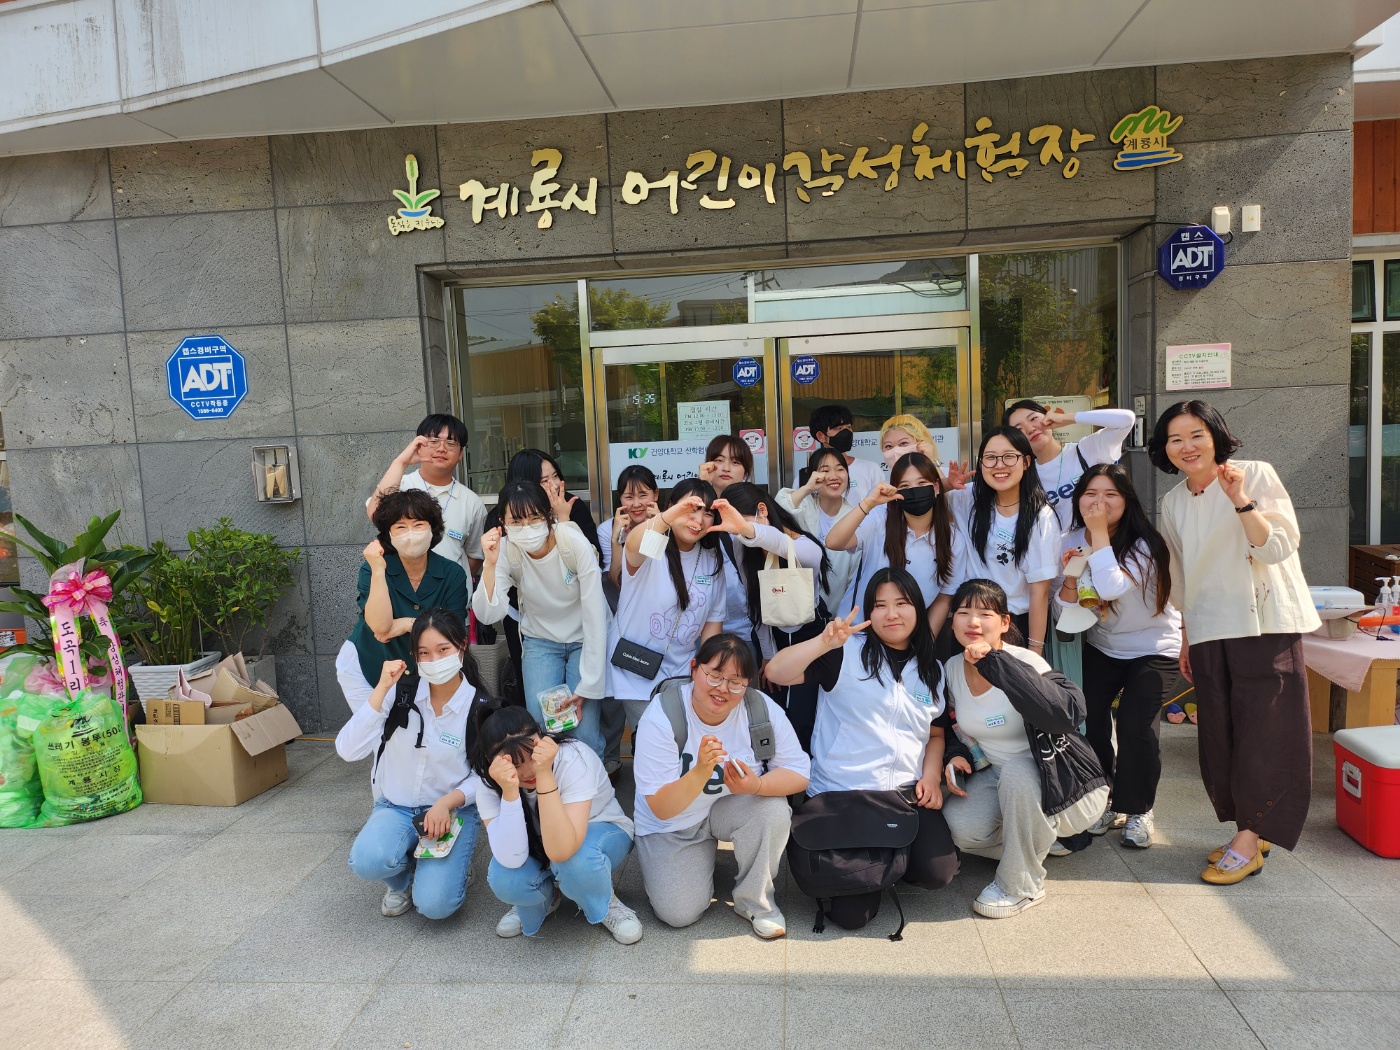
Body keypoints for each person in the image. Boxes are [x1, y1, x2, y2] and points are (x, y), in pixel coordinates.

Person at [1149, 400, 1320, 884]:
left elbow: (1277, 546)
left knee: (1268, 733)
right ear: (1164, 448)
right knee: (1222, 734)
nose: (1187, 446)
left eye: (1196, 435)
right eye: (1175, 439)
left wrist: (1240, 498)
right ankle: (1249, 827)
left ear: (1216, 436)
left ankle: (1250, 840)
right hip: (1208, 628)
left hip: (1263, 625)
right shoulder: (1174, 501)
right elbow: (1179, 575)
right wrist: (1186, 635)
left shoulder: (1254, 474)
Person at [766, 569, 960, 930]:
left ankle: (884, 862)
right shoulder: (844, 652)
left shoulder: (931, 668)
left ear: (917, 609)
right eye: (880, 605)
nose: (892, 614)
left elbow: (935, 733)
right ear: (868, 612)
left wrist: (932, 777)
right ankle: (878, 864)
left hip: (903, 795)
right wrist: (822, 643)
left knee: (938, 873)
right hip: (843, 793)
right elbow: (776, 672)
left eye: (901, 603)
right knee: (851, 917)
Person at [940, 580, 1109, 918]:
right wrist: (955, 755)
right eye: (964, 612)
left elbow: (1066, 714)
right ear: (952, 621)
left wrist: (994, 663)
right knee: (960, 828)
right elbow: (957, 727)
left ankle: (1021, 885)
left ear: (1005, 622)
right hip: (998, 777)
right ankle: (1038, 842)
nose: (973, 622)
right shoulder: (952, 668)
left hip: (1063, 780)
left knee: (1019, 769)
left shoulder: (1026, 661)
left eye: (985, 613)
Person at [632, 633, 811, 939]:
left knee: (772, 808)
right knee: (678, 913)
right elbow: (660, 808)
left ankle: (756, 901)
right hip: (672, 822)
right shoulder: (662, 716)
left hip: (728, 806)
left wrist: (756, 785)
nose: (723, 689)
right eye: (714, 676)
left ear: (748, 683)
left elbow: (798, 773)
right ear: (694, 669)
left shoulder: (760, 709)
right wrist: (701, 771)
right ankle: (694, 861)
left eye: (735, 682)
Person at [1057, 464, 1182, 849]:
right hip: (1103, 645)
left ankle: (1139, 808)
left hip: (1154, 647)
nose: (1099, 502)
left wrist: (1097, 534)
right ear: (1078, 499)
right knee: (1088, 719)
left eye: (1111, 494)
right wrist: (1070, 578)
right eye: (1091, 493)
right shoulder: (1069, 540)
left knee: (1134, 724)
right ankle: (1105, 798)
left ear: (1127, 501)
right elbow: (1065, 608)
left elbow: (1111, 587)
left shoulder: (1145, 544)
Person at [335, 610, 482, 919]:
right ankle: (403, 880)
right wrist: (380, 689)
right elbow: (347, 749)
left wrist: (446, 803)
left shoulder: (479, 707)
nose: (434, 660)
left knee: (435, 906)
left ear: (461, 647)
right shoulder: (399, 694)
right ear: (414, 657)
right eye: (424, 653)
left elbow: (484, 775)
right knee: (367, 861)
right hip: (396, 806)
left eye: (443, 649)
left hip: (449, 813)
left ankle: (452, 866)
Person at [470, 700, 642, 943]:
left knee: (575, 860)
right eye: (515, 765)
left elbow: (561, 849)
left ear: (541, 739)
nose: (527, 772)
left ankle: (604, 900)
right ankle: (545, 899)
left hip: (601, 831)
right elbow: (511, 858)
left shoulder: (572, 757)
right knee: (504, 877)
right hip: (541, 845)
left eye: (532, 757)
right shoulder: (488, 780)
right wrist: (509, 791)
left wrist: (545, 773)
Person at [473, 481, 608, 759]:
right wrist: (489, 565)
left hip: (584, 640)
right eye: (516, 520)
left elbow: (596, 615)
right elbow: (489, 614)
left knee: (584, 732)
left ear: (549, 515)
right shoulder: (506, 551)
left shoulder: (573, 543)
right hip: (540, 642)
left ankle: (592, 783)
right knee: (541, 727)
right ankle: (548, 783)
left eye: (535, 517)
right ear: (502, 523)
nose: (527, 527)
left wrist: (588, 685)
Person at [708, 482, 829, 750]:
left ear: (762, 510)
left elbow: (779, 543)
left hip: (809, 639)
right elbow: (756, 605)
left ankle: (803, 771)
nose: (739, 534)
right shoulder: (742, 545)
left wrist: (746, 530)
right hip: (772, 637)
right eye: (733, 529)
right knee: (774, 715)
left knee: (804, 717)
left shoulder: (806, 547)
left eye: (741, 524)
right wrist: (768, 654)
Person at [609, 478, 728, 729]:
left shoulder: (711, 559)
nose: (698, 520)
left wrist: (709, 676)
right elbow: (634, 542)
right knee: (656, 738)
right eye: (690, 509)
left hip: (682, 674)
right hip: (636, 669)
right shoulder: (654, 544)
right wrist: (670, 515)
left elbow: (712, 629)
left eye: (707, 513)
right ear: (671, 507)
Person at [337, 490, 469, 711]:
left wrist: (407, 624)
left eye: (418, 525)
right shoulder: (373, 568)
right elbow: (380, 627)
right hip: (370, 664)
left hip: (429, 670)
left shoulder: (452, 573)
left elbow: (453, 632)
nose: (410, 534)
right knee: (377, 729)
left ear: (432, 529)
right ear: (388, 534)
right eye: (400, 527)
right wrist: (378, 570)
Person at [948, 427, 1059, 654]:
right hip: (967, 622)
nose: (999, 465)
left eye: (1009, 457)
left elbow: (1039, 593)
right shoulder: (967, 498)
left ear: (1026, 462)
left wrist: (1034, 652)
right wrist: (946, 483)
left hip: (1012, 626)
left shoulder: (1040, 517)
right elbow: (926, 498)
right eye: (990, 458)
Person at [824, 451, 956, 634]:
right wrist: (869, 503)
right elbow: (833, 542)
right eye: (904, 486)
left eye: (922, 483)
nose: (914, 490)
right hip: (859, 632)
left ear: (936, 487)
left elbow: (944, 596)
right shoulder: (880, 520)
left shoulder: (953, 539)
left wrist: (927, 641)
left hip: (908, 637)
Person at [368, 413, 487, 577]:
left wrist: (454, 580)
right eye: (433, 441)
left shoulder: (471, 502)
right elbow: (375, 513)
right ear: (418, 445)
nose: (441, 449)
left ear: (460, 453)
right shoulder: (400, 486)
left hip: (452, 592)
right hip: (404, 588)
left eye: (450, 443)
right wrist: (401, 462)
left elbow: (475, 554)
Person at [600, 465, 661, 773]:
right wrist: (616, 541)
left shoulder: (667, 525)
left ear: (656, 495)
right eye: (628, 496)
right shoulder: (609, 529)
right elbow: (619, 581)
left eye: (643, 495)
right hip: (631, 636)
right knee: (639, 719)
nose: (636, 503)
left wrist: (657, 525)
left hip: (663, 631)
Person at [1004, 399, 1137, 531]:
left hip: (1102, 540)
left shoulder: (1086, 450)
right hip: (1057, 545)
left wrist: (1066, 418)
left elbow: (1126, 420)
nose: (1030, 429)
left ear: (1048, 417)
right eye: (1019, 429)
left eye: (1033, 419)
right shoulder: (1024, 475)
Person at [778, 445, 861, 619]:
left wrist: (840, 619)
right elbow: (779, 511)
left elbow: (853, 578)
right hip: (795, 612)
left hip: (833, 615)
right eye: (825, 470)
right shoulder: (803, 507)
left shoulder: (854, 518)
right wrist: (807, 488)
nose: (834, 476)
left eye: (840, 469)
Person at [701, 434, 760, 649]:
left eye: (735, 462)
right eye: (719, 460)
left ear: (746, 470)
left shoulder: (758, 509)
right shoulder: (696, 509)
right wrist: (701, 485)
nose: (726, 468)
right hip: (701, 627)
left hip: (751, 628)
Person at [793, 404, 884, 506]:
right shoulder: (806, 477)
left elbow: (882, 507)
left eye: (849, 427)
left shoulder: (871, 469)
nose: (846, 432)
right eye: (839, 428)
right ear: (821, 436)